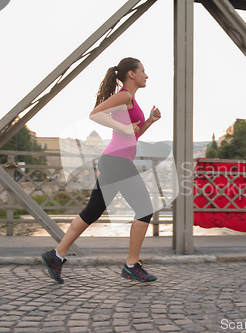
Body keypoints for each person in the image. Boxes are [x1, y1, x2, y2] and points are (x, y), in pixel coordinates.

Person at [42, 57, 161, 284]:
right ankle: (131, 265)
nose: (147, 75)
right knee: (145, 209)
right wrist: (125, 126)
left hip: (114, 160)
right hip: (116, 161)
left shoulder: (131, 100)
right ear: (132, 74)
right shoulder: (125, 95)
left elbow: (133, 135)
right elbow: (95, 114)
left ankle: (56, 256)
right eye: (143, 71)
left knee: (91, 213)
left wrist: (149, 122)